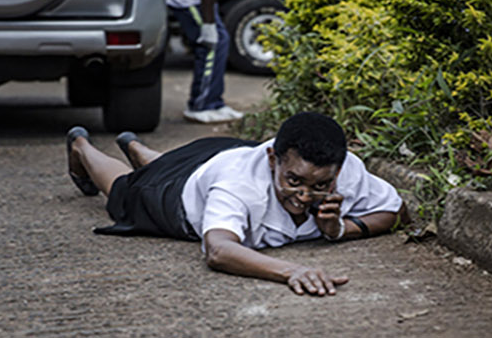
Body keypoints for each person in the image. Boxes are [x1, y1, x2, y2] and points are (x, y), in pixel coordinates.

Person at [65, 112, 403, 295]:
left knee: (165, 166)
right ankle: (82, 147)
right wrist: (292, 271)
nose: (303, 197)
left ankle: (141, 151)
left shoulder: (346, 169)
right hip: (182, 193)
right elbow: (219, 250)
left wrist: (340, 229)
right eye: (294, 181)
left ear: (338, 171)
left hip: (218, 156)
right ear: (273, 158)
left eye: (320, 186)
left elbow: (392, 210)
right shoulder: (239, 186)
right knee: (126, 189)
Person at [163, 0, 254, 122]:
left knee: (220, 41)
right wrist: (208, 25)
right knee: (211, 45)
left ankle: (214, 102)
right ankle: (200, 105)